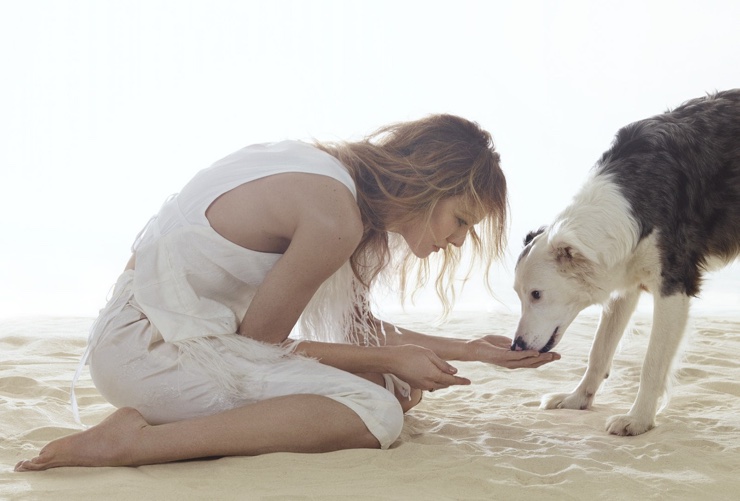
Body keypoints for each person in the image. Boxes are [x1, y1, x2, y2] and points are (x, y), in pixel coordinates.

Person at [15, 114, 559, 471]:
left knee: (385, 378)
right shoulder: (332, 215)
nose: (459, 241)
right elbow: (262, 343)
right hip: (149, 354)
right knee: (376, 413)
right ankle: (132, 443)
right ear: (427, 185)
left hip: (160, 340)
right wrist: (393, 357)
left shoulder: (331, 183)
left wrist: (467, 350)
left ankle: (151, 427)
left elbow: (358, 331)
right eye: (461, 221)